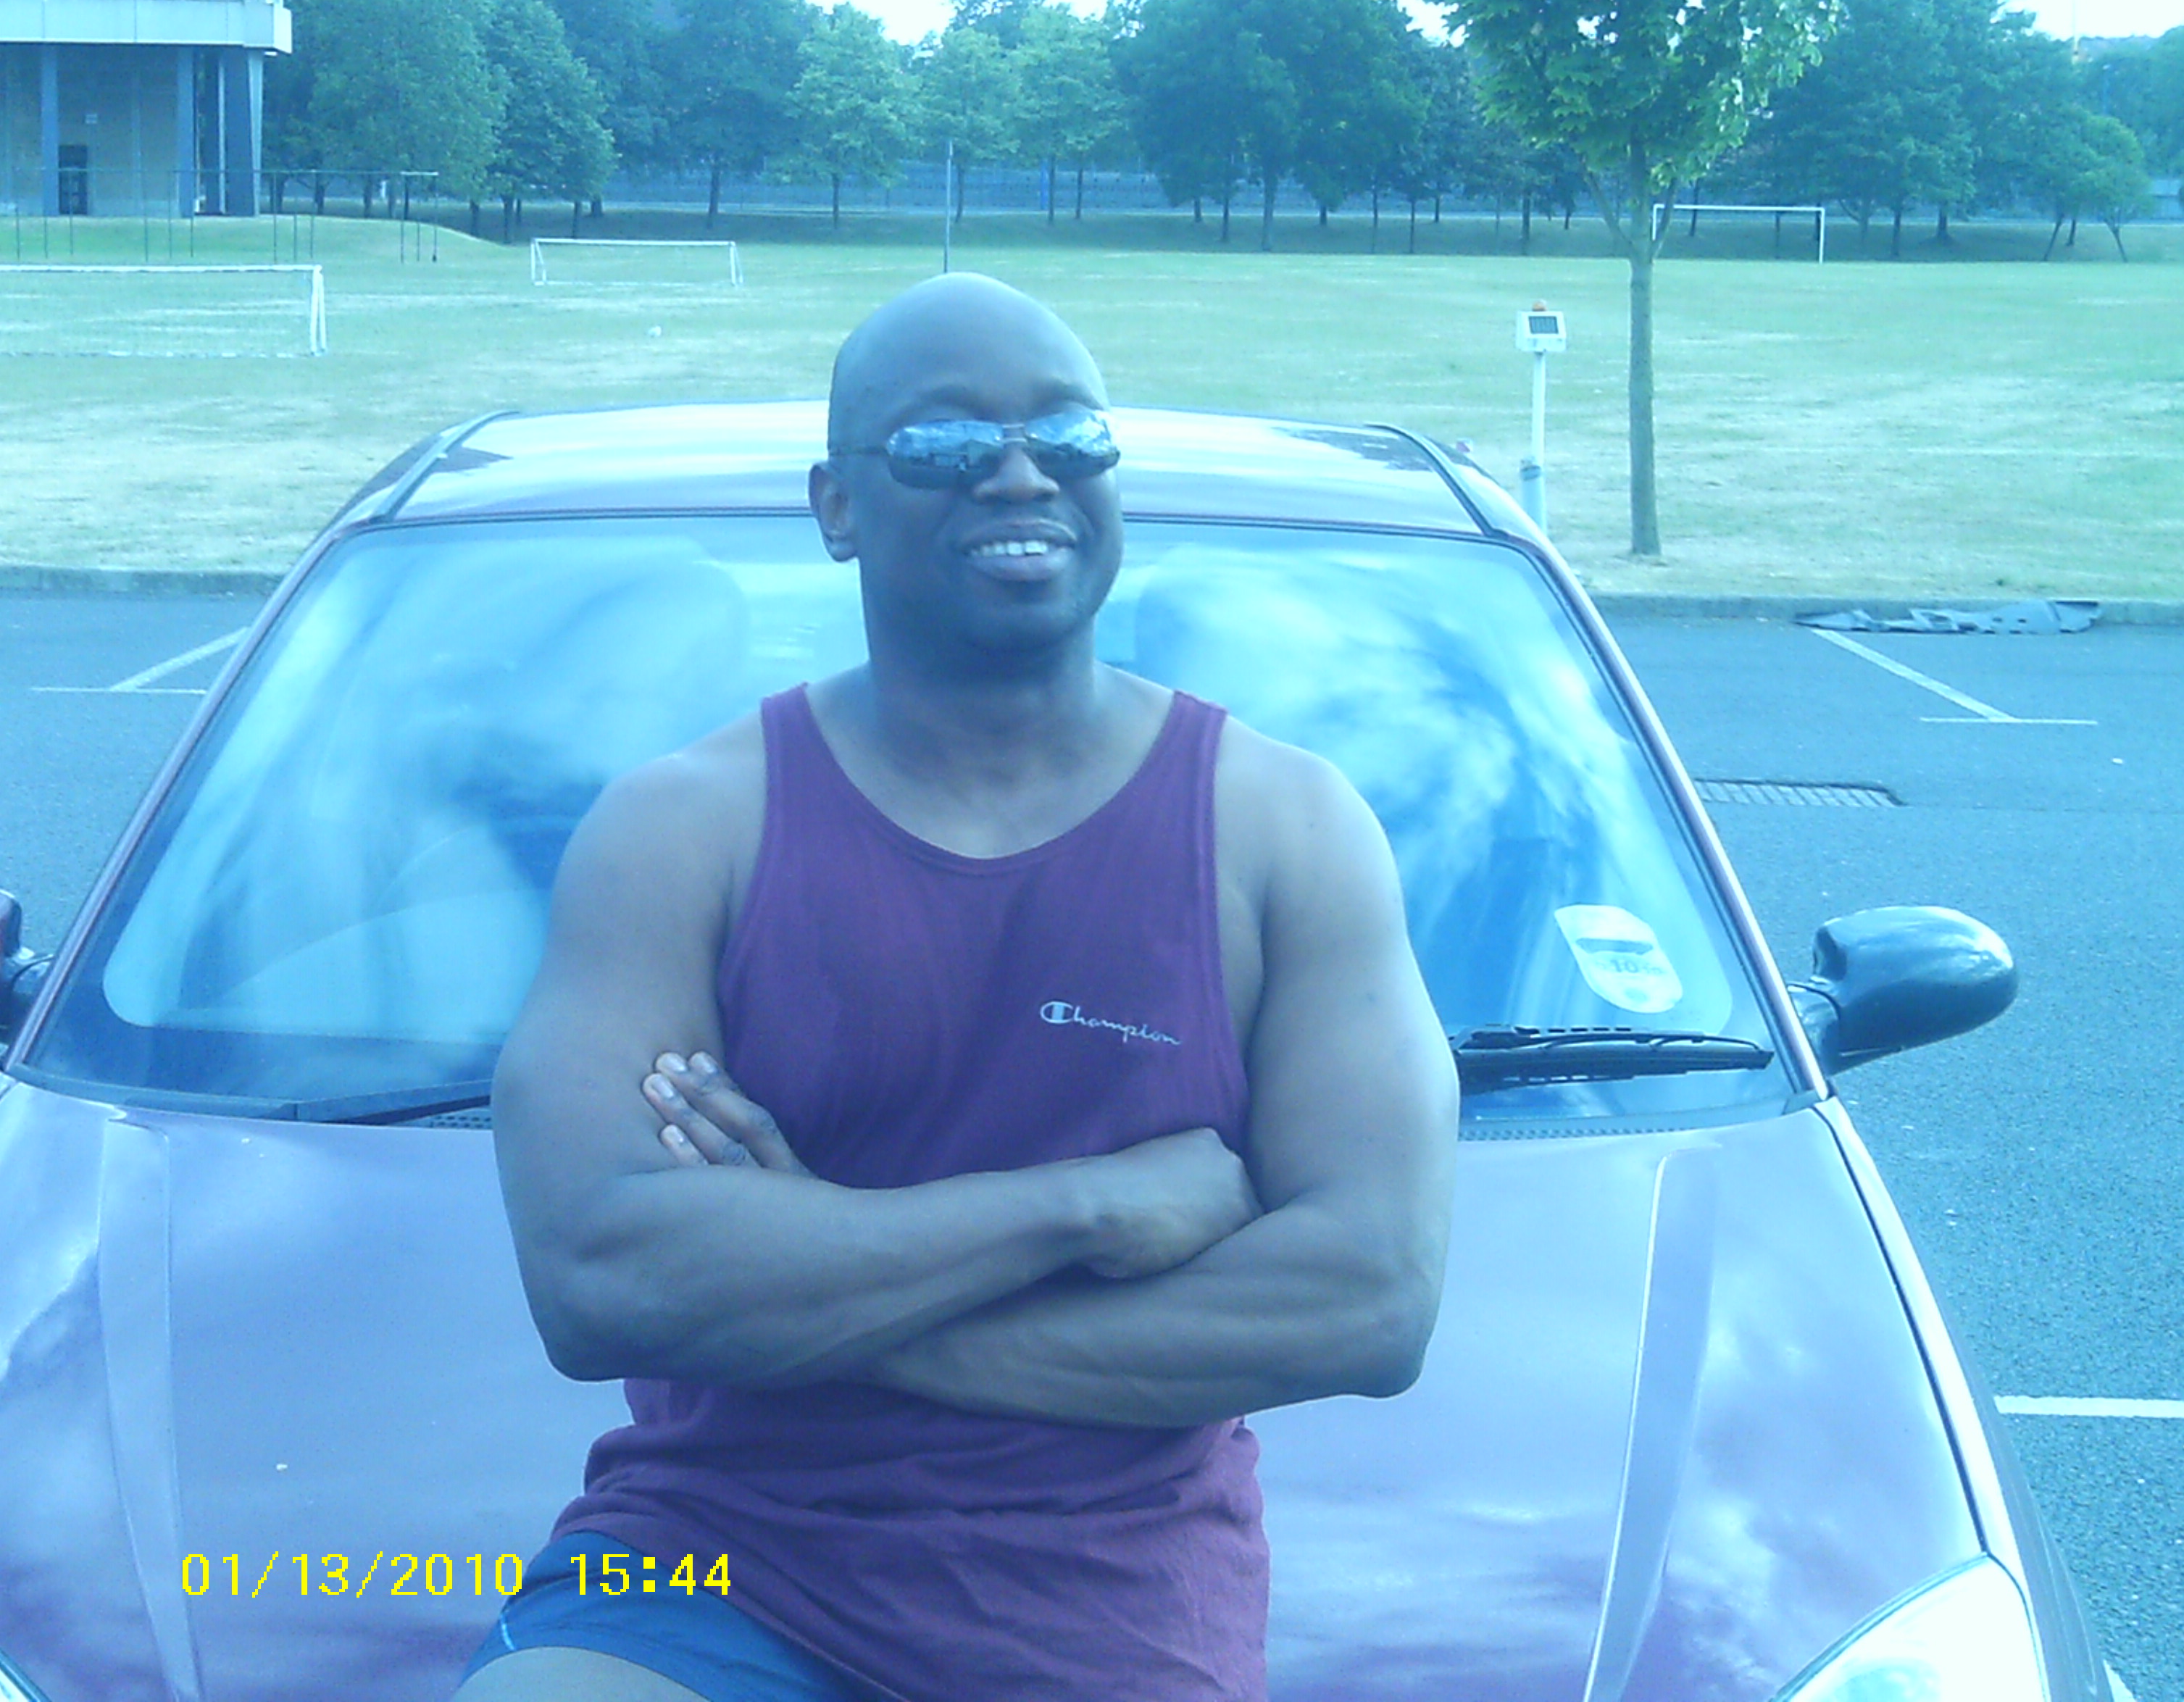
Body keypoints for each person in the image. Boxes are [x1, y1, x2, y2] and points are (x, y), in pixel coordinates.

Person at [458, 274, 1458, 1702]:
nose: (1020, 471)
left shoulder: (1286, 826)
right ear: (837, 507)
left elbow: (1369, 1299)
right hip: (703, 1562)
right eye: (942, 442)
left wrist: (811, 1276)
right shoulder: (680, 831)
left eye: (1070, 432)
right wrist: (1088, 1208)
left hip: (1113, 1599)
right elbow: (601, 1278)